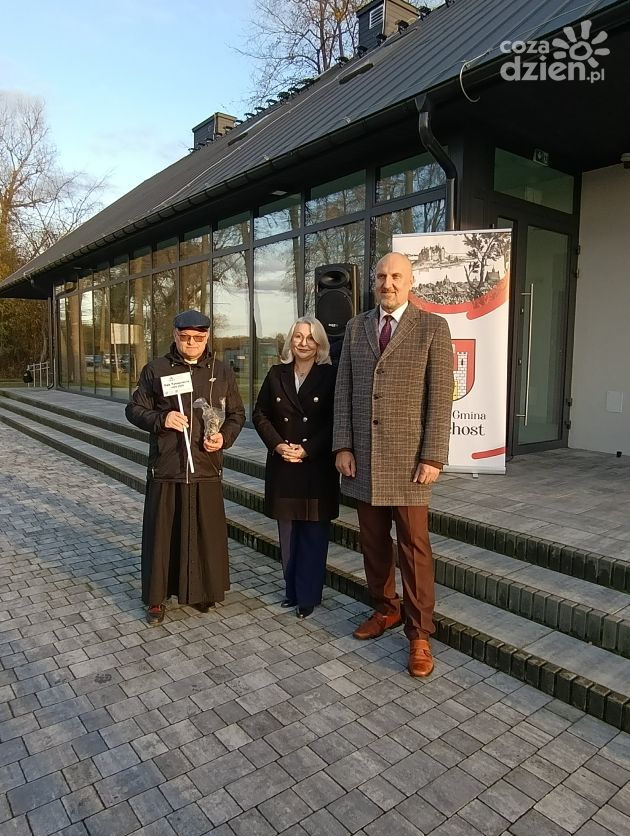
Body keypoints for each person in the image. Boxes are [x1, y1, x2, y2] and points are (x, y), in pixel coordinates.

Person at [333, 252, 453, 677]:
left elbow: (440, 397)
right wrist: (342, 446)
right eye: (382, 276)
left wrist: (432, 455)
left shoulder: (433, 327)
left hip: (409, 463)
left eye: (396, 276)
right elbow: (344, 390)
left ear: (410, 281)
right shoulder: (356, 327)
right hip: (363, 459)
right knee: (373, 542)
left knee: (414, 548)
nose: (388, 283)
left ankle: (419, 633)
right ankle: (386, 608)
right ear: (374, 281)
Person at [126, 309, 245, 625]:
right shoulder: (156, 370)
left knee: (204, 533)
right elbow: (134, 409)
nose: (191, 343)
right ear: (175, 336)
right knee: (162, 536)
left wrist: (224, 437)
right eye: (184, 337)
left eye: (198, 337)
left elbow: (237, 414)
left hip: (206, 465)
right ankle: (156, 597)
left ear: (207, 337)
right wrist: (162, 419)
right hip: (168, 466)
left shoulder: (221, 371)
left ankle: (202, 591)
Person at [253, 317, 339, 619]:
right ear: (290, 340)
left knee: (313, 534)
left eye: (310, 338)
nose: (303, 343)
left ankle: (308, 596)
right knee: (288, 534)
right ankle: (292, 591)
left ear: (320, 343)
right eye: (298, 336)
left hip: (316, 466)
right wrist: (278, 445)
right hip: (284, 465)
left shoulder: (330, 375)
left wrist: (308, 449)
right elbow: (260, 414)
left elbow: (337, 420)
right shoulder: (276, 373)